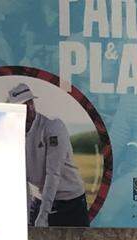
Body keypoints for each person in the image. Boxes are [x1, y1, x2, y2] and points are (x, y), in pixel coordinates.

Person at [6, 83, 89, 228]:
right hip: (39, 199)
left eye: (30, 102)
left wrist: (44, 215)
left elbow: (53, 173)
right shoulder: (12, 133)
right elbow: (21, 179)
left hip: (70, 201)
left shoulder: (52, 126)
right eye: (23, 105)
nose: (29, 108)